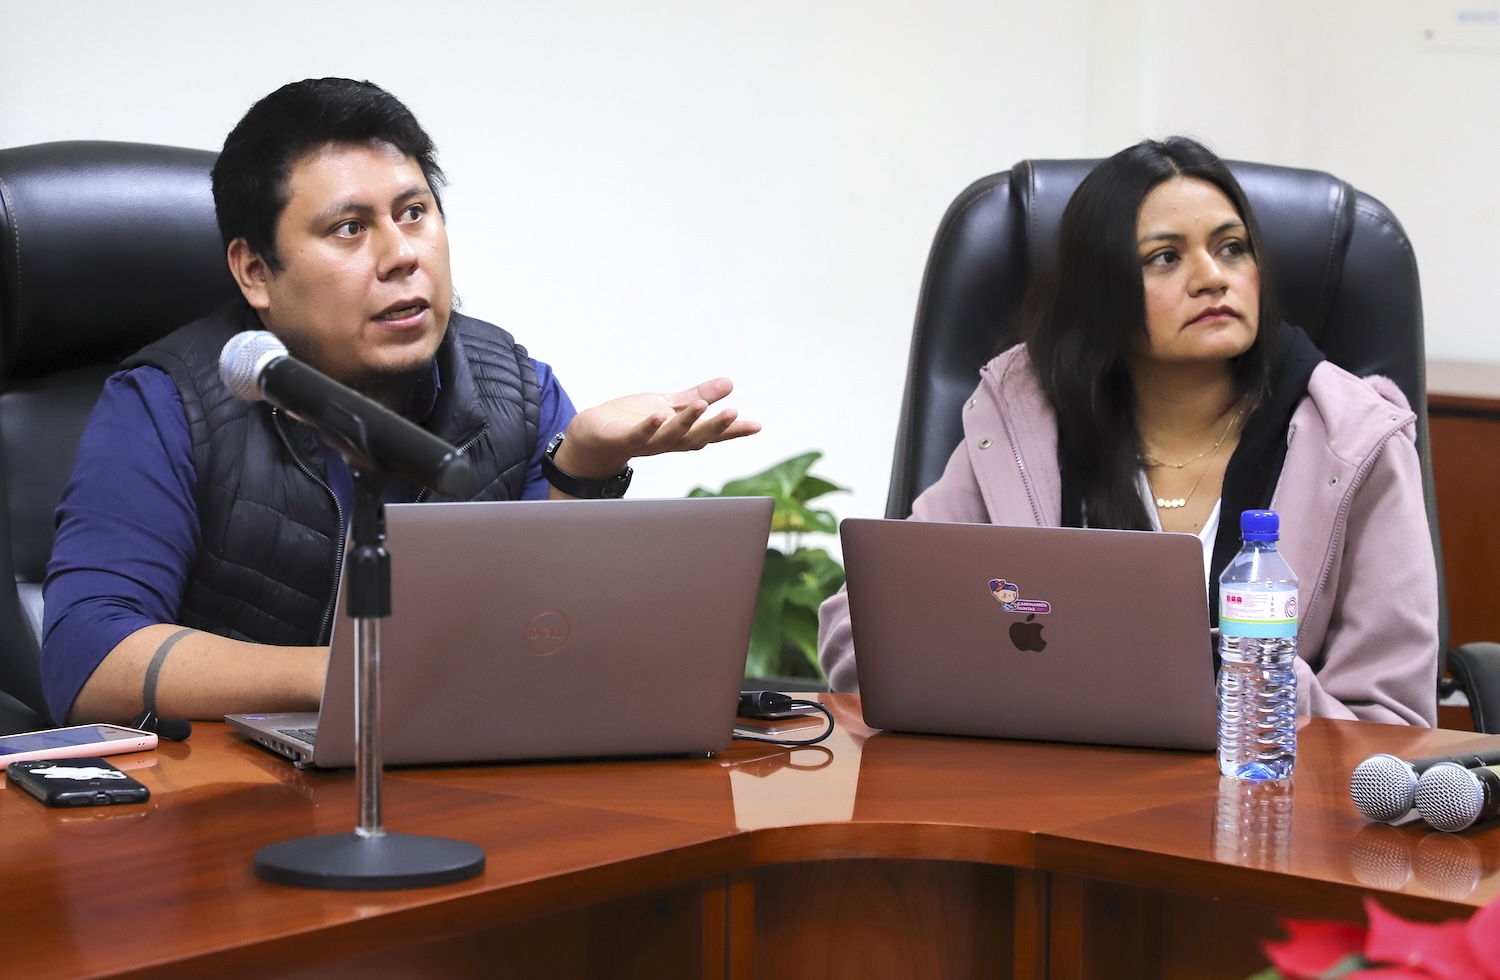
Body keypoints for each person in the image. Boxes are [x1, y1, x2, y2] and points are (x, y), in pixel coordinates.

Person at [42, 78, 759, 725]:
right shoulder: (166, 403)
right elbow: (89, 658)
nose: (402, 255)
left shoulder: (514, 388)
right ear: (255, 271)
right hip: (228, 801)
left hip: (457, 789)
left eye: (414, 213)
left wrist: (582, 466)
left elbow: (542, 638)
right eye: (349, 229)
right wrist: (356, 674)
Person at [818, 137, 1438, 726]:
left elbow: (1391, 723)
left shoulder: (1357, 441)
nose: (1212, 277)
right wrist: (1015, 672)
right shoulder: (1024, 423)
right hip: (1050, 782)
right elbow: (863, 632)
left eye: (1232, 248)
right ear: (1101, 293)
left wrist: (1245, 676)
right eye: (1165, 257)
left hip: (1265, 790)